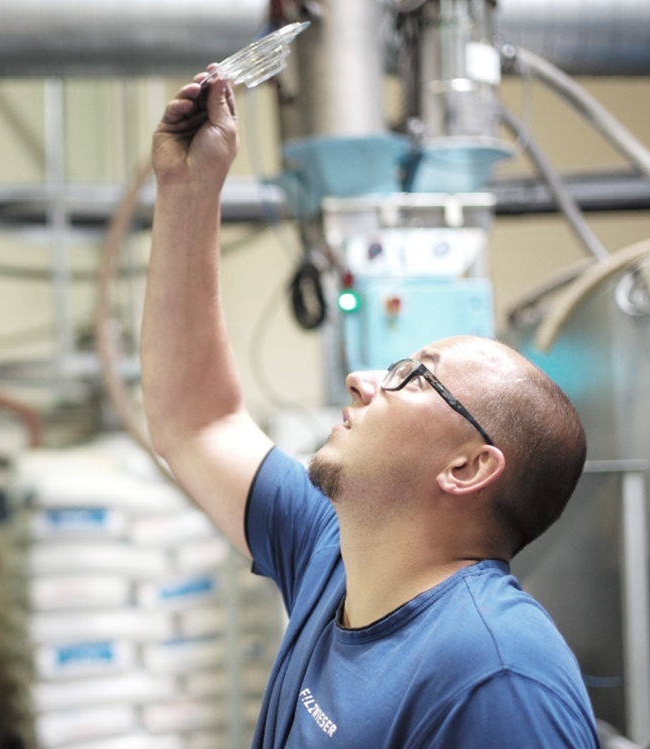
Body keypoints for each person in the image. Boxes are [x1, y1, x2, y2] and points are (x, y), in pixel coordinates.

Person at [141, 68, 600, 748]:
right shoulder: (335, 557)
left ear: (469, 466)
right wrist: (187, 187)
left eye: (412, 377)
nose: (361, 380)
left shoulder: (496, 677)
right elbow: (195, 420)